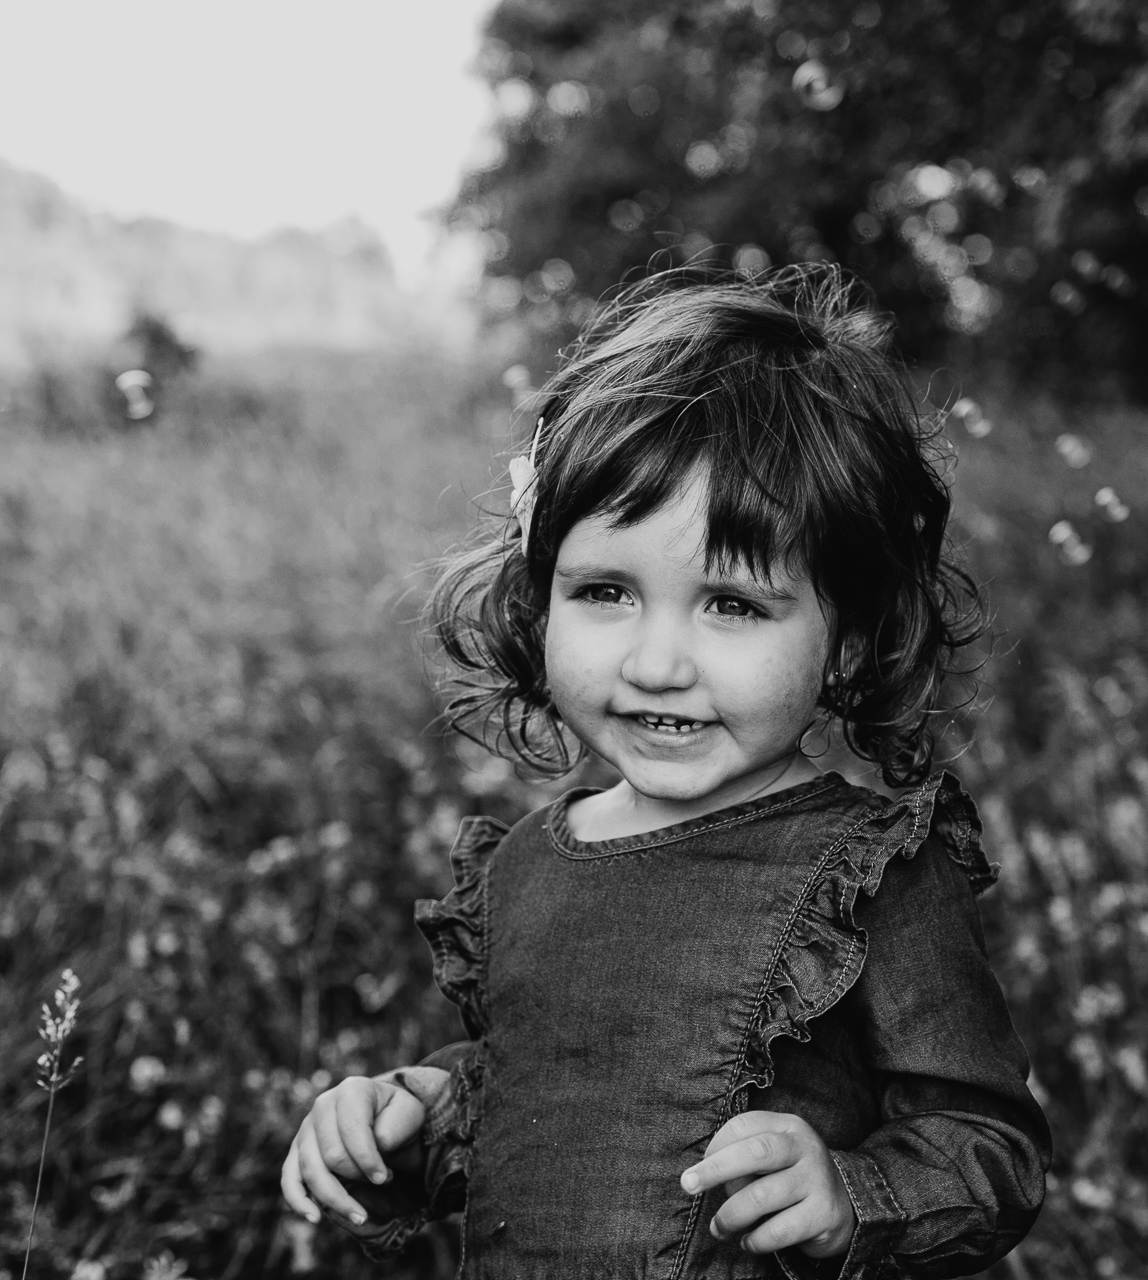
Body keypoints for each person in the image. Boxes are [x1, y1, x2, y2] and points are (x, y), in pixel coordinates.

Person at [277, 264, 1051, 1278]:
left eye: (731, 604)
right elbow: (548, 1095)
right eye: (605, 590)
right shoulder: (525, 863)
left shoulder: (870, 872)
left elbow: (990, 1147)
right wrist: (416, 1112)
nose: (655, 662)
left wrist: (848, 1193)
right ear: (536, 599)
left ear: (849, 640)